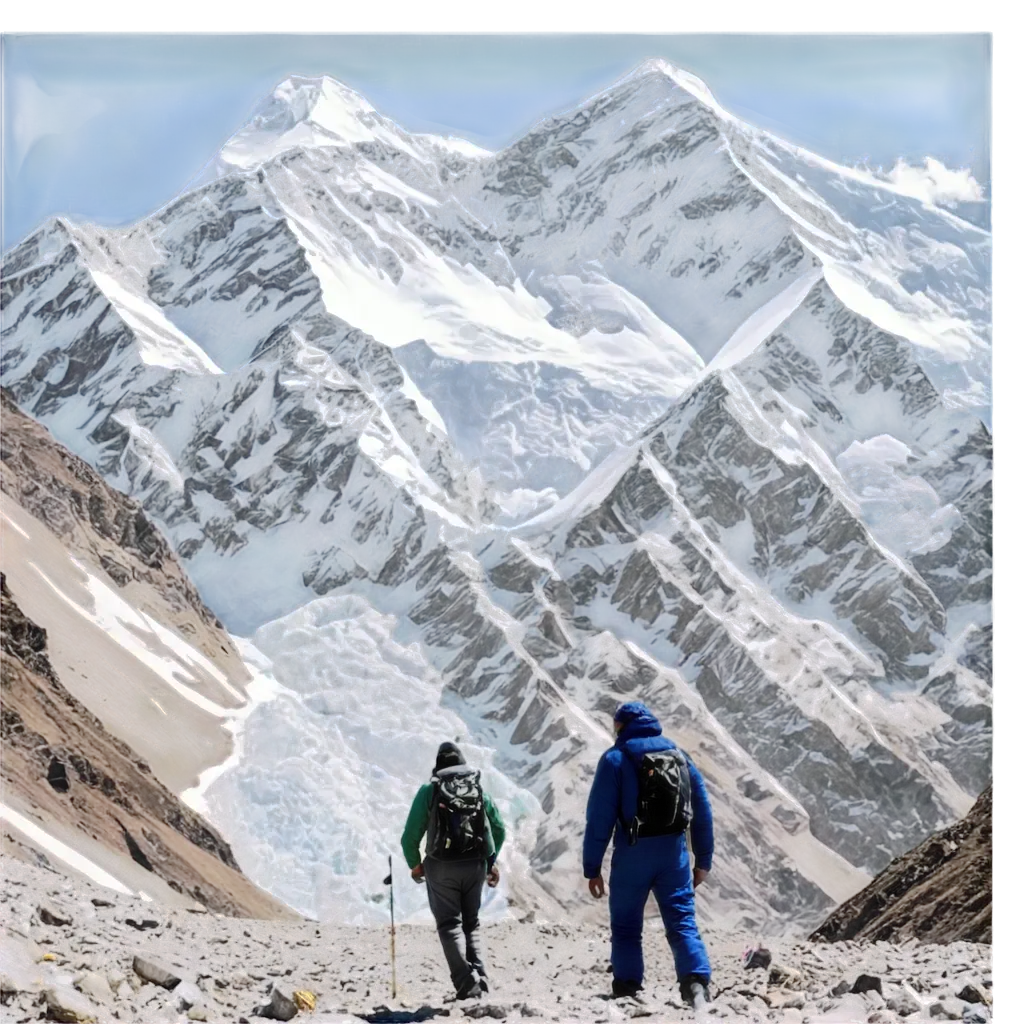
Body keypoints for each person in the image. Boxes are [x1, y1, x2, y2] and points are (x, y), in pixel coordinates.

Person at [582, 701, 715, 1010]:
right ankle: (696, 986)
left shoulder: (615, 759)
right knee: (682, 919)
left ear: (620, 726)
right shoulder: (680, 756)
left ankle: (627, 987)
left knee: (627, 922)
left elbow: (599, 821)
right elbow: (703, 811)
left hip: (633, 851)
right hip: (674, 852)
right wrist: (703, 860)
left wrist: (592, 868)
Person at [401, 741, 507, 1000]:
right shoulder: (478, 790)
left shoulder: (430, 791)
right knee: (471, 924)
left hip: (440, 866)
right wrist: (489, 862)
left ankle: (467, 986)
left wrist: (415, 865)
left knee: (450, 927)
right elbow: (499, 829)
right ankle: (480, 980)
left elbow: (410, 836)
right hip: (473, 866)